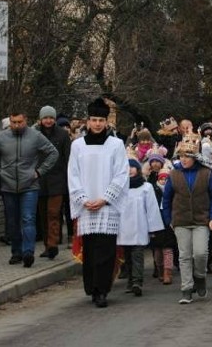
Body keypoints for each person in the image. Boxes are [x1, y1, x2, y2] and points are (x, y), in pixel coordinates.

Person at [67, 98, 129, 308]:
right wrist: (83, 200)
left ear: (106, 122)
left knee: (106, 250)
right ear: (88, 121)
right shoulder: (77, 146)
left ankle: (102, 290)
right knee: (91, 249)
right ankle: (91, 288)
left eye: (101, 120)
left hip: (107, 205)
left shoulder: (116, 144)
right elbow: (73, 175)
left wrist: (105, 198)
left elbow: (121, 174)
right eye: (93, 120)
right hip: (86, 206)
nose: (97, 124)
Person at [0, 109, 59, 267]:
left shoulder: (35, 136)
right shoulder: (1, 137)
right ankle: (16, 252)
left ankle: (28, 253)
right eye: (13, 122)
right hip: (8, 185)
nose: (16, 125)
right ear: (9, 122)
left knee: (28, 219)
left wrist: (39, 172)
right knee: (12, 221)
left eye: (19, 122)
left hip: (30, 185)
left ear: (26, 120)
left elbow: (53, 153)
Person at [162, 133, 212, 304]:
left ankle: (200, 277)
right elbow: (166, 199)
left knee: (201, 253)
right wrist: (169, 220)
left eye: (187, 156)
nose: (184, 159)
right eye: (181, 156)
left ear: (195, 157)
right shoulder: (173, 174)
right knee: (184, 255)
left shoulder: (206, 173)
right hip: (180, 221)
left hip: (202, 220)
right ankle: (186, 288)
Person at [117, 159, 164, 297]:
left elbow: (152, 208)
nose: (130, 170)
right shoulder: (120, 187)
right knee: (127, 255)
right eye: (127, 167)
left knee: (137, 254)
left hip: (139, 226)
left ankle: (138, 281)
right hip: (124, 227)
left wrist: (153, 228)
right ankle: (130, 281)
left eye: (133, 167)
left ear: (137, 169)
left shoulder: (146, 187)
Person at [35, 105, 72, 260]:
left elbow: (68, 157)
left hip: (58, 180)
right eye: (45, 118)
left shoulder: (62, 135)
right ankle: (46, 245)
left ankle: (53, 244)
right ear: (41, 119)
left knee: (53, 212)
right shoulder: (35, 134)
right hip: (39, 180)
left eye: (51, 118)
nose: (48, 121)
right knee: (42, 214)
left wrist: (67, 178)